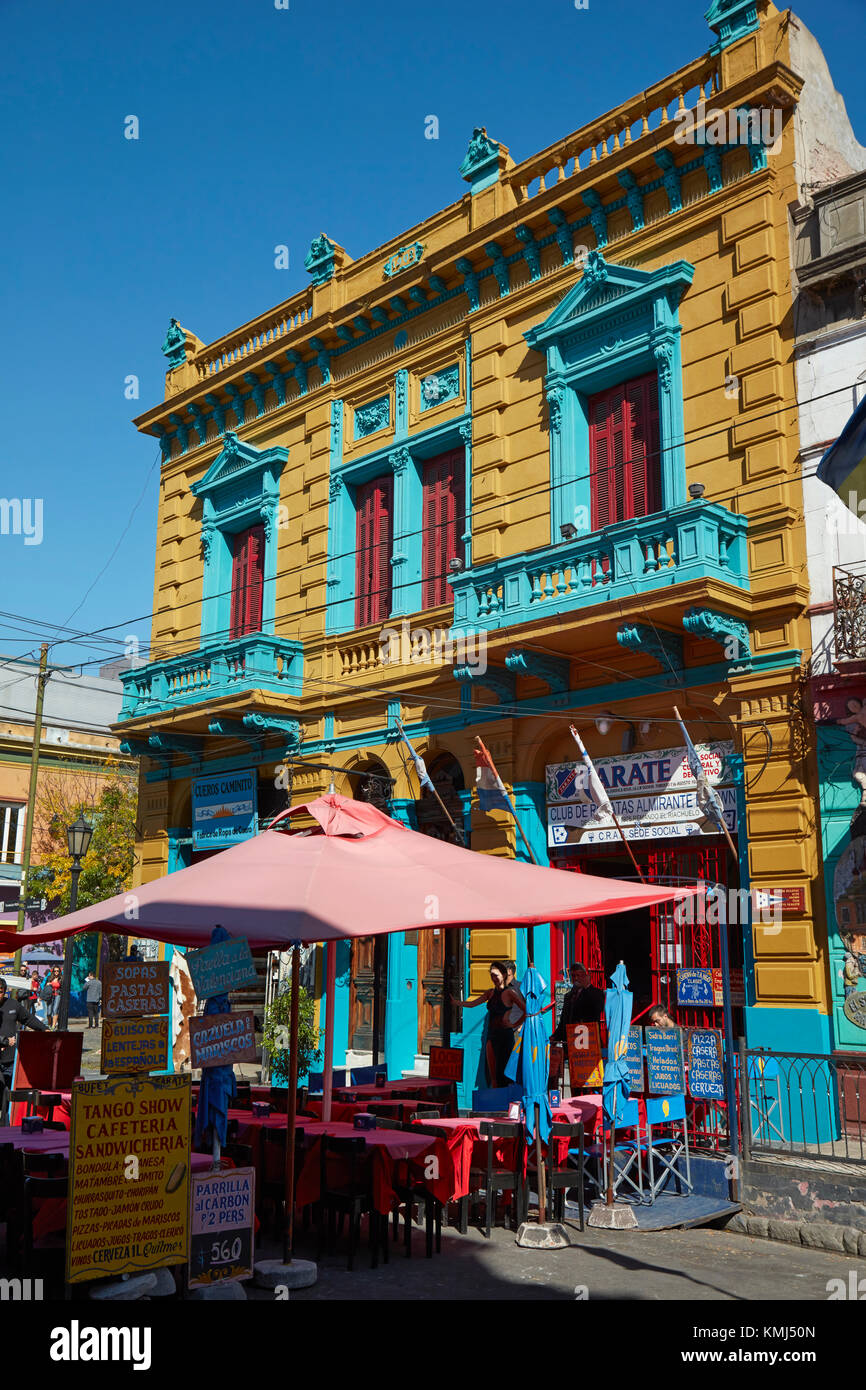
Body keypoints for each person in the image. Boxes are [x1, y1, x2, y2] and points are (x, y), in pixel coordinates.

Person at [451, 961, 524, 1087]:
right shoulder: (490, 993)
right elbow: (473, 1003)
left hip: (505, 1035)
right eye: (492, 975)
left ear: (503, 975)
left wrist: (516, 1024)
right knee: (493, 1074)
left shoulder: (510, 993)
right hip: (492, 1034)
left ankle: (505, 1101)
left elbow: (526, 1009)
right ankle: (495, 1103)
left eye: (496, 975)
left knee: (505, 1071)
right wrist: (457, 1003)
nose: (494, 978)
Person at [0, 977, 48, 1123]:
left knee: (9, 1096)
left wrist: (45, 1029)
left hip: (10, 1060)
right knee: (2, 1093)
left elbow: (28, 1019)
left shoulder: (13, 1005)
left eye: (0, 991)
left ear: (5, 991)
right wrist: (3, 1040)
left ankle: (6, 1128)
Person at [551, 962, 605, 1045]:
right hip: (571, 1043)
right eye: (573, 976)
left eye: (579, 975)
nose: (576, 978)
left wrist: (587, 986)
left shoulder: (596, 993)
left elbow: (597, 1009)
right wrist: (555, 1037)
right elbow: (563, 1022)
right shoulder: (568, 996)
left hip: (588, 1042)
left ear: (585, 976)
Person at [43, 965, 63, 1030]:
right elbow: (45, 986)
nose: (56, 972)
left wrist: (52, 984)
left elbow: (62, 987)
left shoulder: (61, 978)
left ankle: (53, 1026)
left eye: (57, 971)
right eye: (55, 971)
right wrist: (48, 984)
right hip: (50, 995)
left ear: (59, 971)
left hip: (58, 995)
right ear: (53, 971)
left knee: (55, 1010)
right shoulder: (49, 978)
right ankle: (49, 1024)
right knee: (48, 1012)